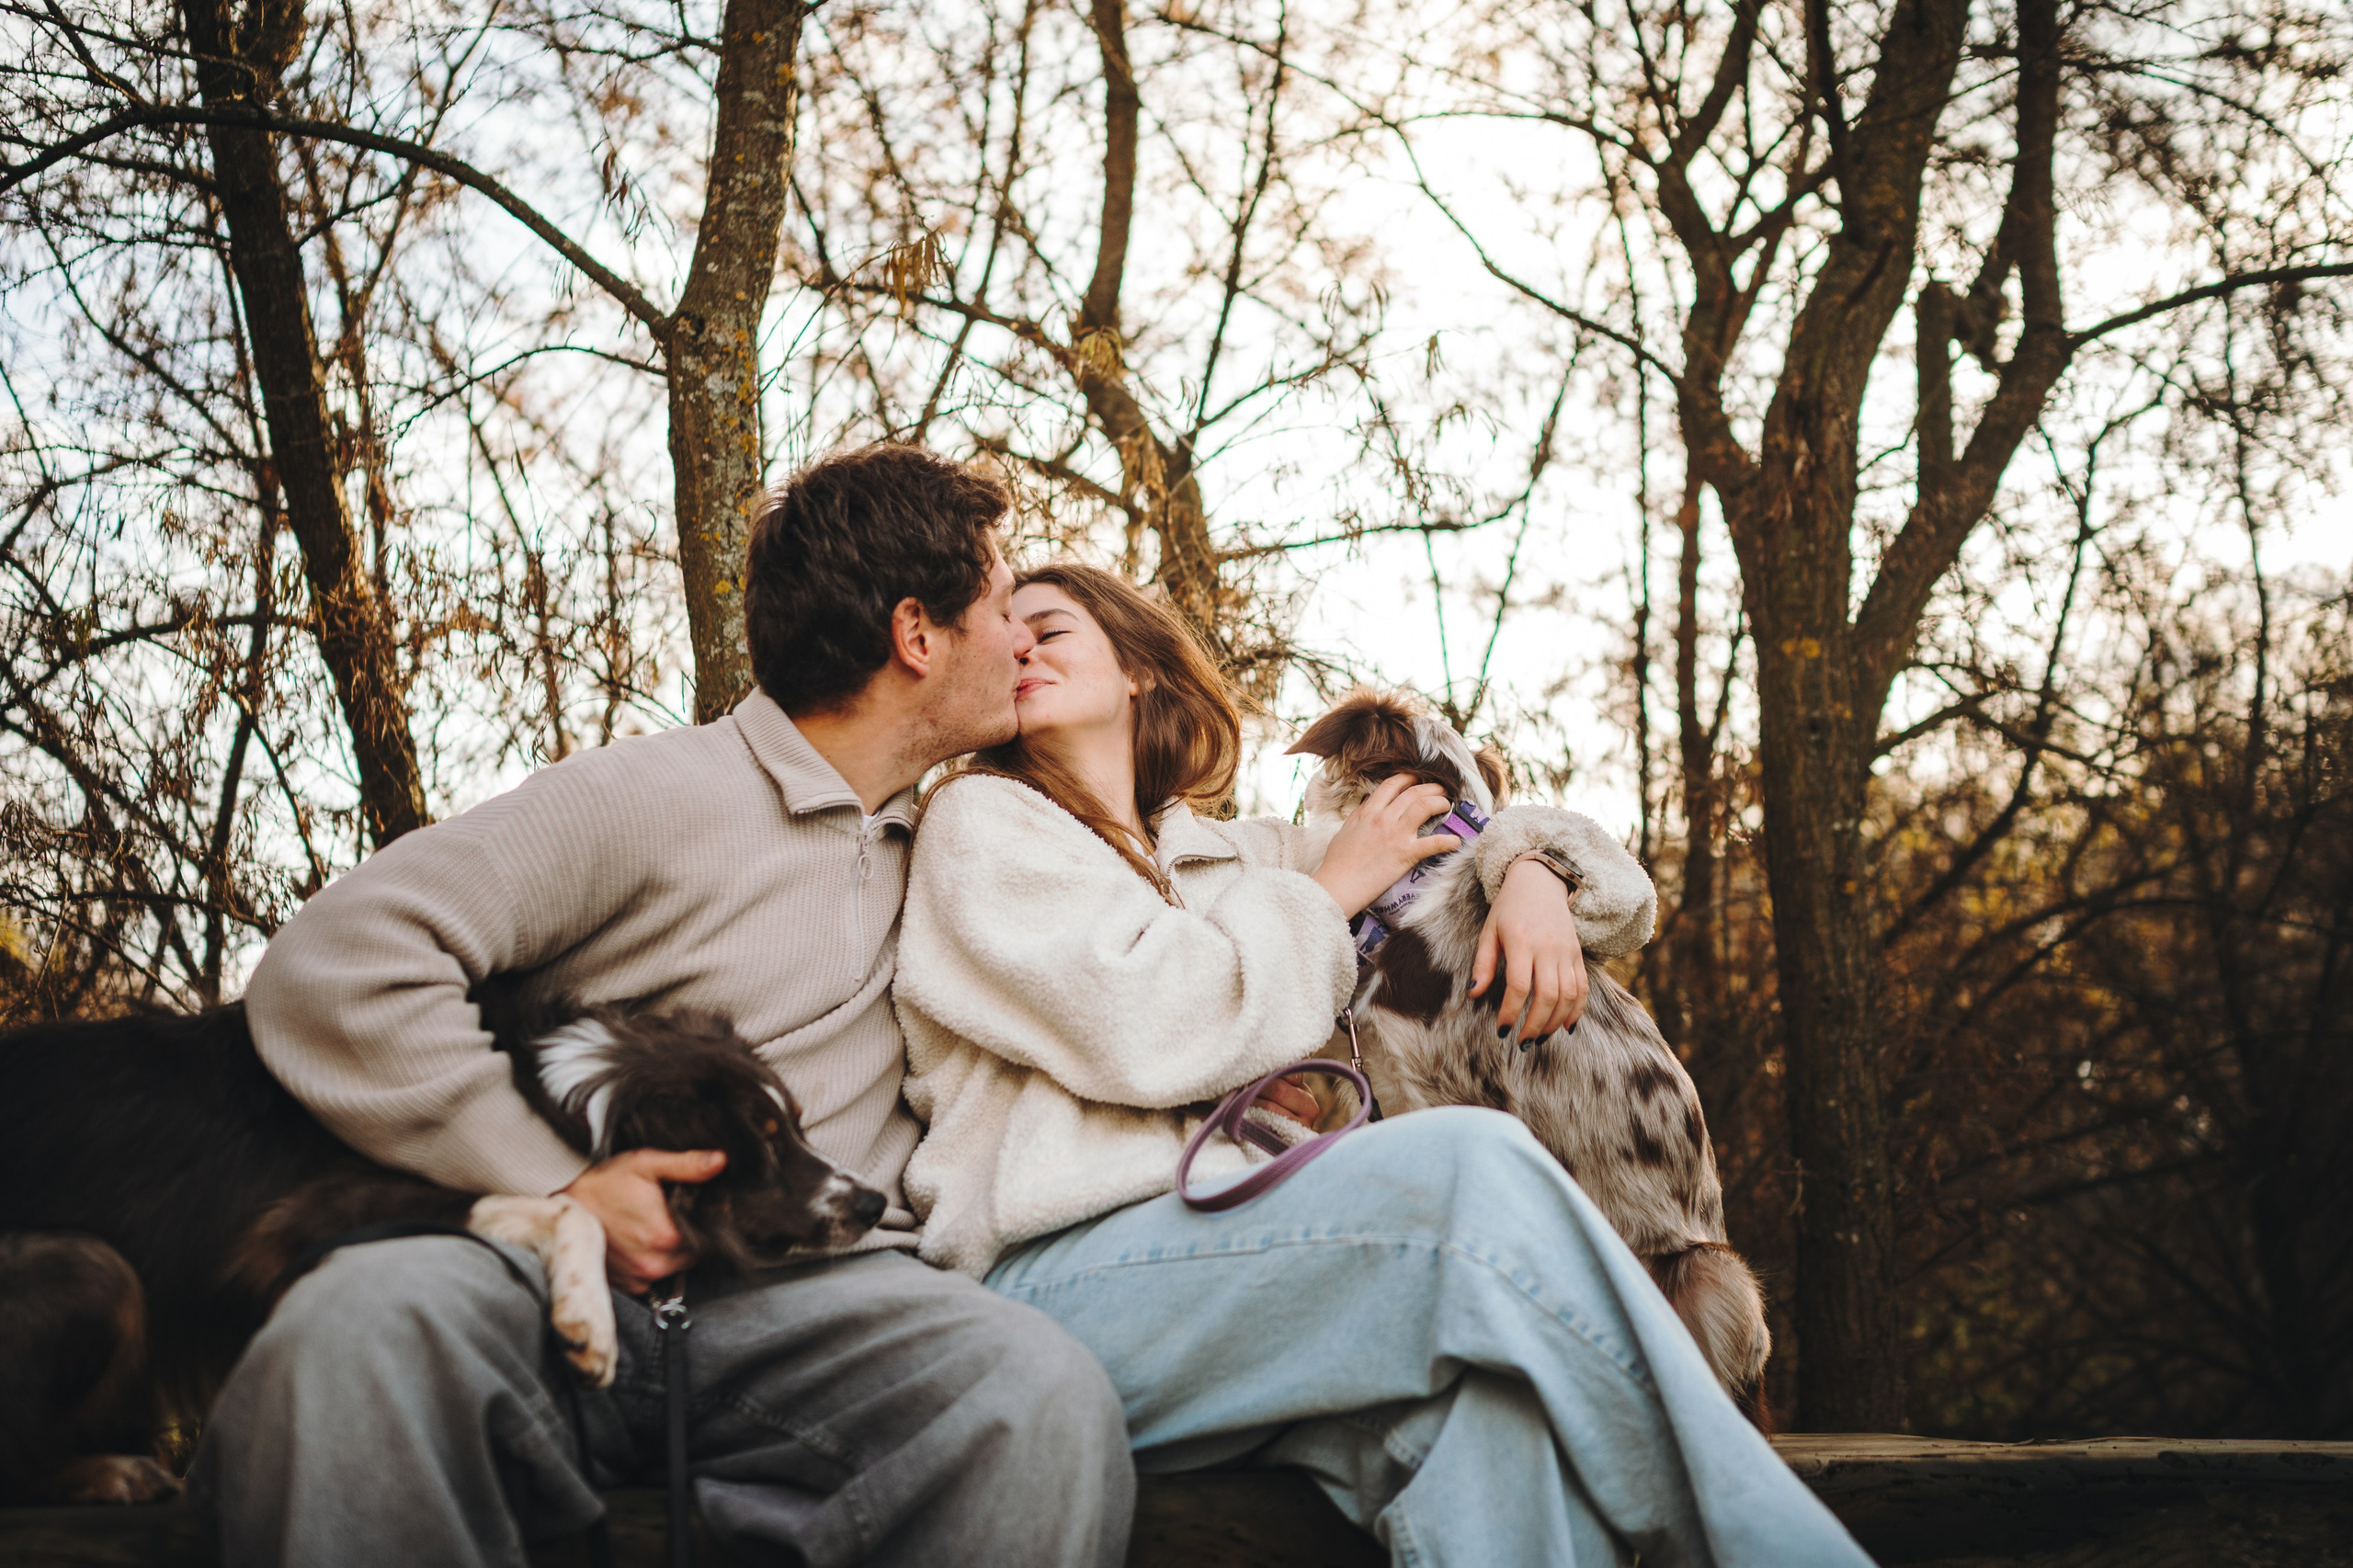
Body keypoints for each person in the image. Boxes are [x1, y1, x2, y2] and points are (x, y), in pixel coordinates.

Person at [196, 447, 1133, 1568]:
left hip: (818, 1301)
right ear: (916, 634)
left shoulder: (962, 848)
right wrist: (552, 1183)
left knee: (1034, 1393)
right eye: (998, 605)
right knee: (350, 1331)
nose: (1021, 635)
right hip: (541, 1272)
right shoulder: (650, 793)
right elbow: (340, 960)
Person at [893, 562, 1874, 1567]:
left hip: (1251, 1284)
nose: (1017, 645)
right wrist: (1332, 892)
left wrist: (1528, 872)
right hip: (1059, 1284)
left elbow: (1568, 874)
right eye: (1005, 631)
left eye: (1047, 627)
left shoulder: (1236, 855)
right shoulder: (981, 823)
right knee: (1468, 1165)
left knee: (1499, 1426)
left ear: (1138, 668)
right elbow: (1148, 1023)